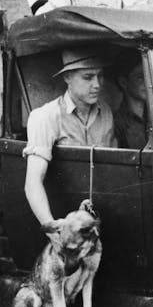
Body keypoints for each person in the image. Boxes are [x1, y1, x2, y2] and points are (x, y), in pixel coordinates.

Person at [22, 47, 116, 231]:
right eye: (88, 77)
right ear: (67, 78)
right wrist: (52, 226)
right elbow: (33, 181)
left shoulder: (105, 112)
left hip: (100, 219)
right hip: (63, 219)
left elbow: (114, 170)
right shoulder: (45, 117)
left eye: (100, 75)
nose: (97, 84)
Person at [113, 52, 149, 149]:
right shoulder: (117, 123)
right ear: (123, 82)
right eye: (139, 78)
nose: (147, 82)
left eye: (148, 75)